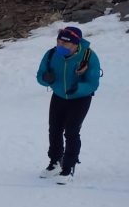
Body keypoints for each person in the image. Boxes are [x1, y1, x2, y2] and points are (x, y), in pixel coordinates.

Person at [36, 26, 100, 183]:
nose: (61, 46)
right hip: (58, 97)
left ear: (75, 44)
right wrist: (46, 78)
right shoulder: (51, 54)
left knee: (71, 131)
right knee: (54, 130)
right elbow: (40, 75)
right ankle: (55, 162)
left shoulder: (88, 56)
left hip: (80, 98)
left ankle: (68, 167)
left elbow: (93, 83)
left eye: (65, 44)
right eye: (59, 42)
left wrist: (78, 88)